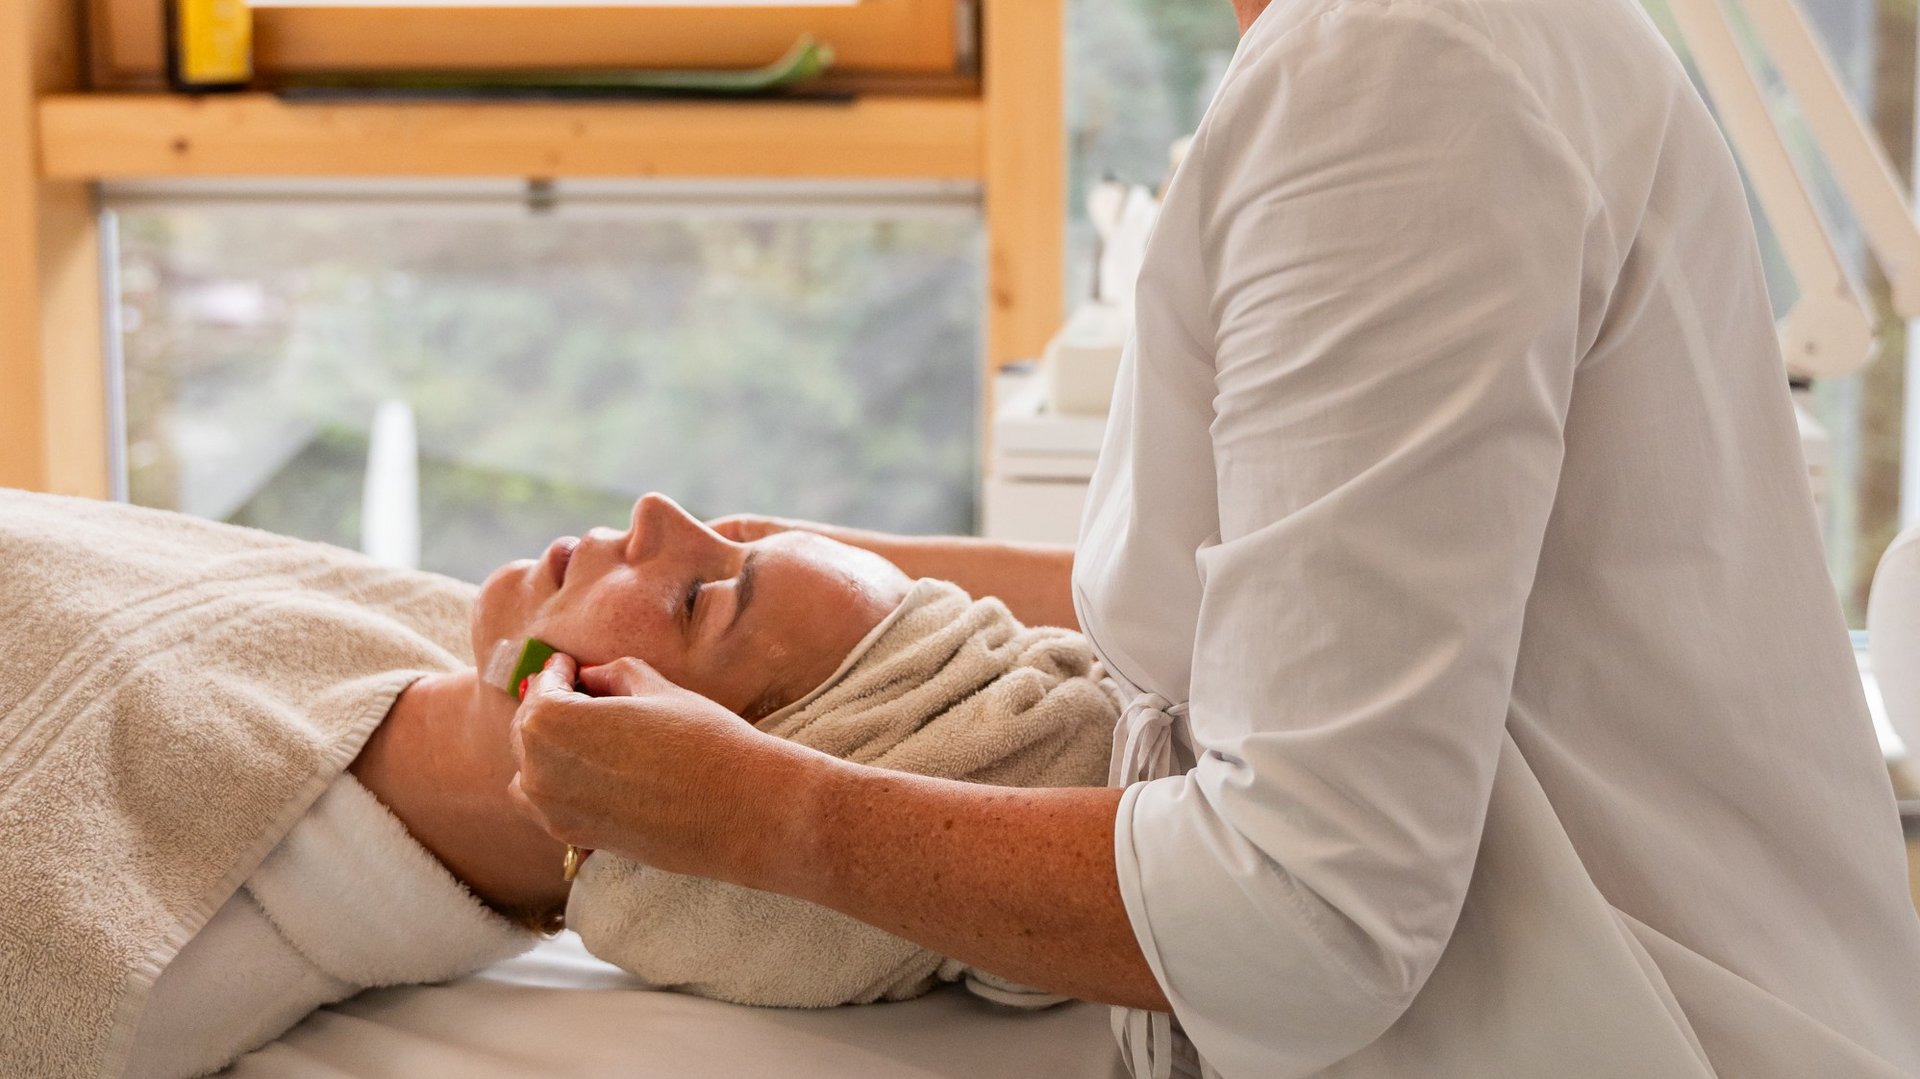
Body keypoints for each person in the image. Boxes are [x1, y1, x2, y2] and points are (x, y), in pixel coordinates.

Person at [505, 0, 1920, 1075]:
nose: (648, 529)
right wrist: (835, 558)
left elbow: (1310, 915)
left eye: (719, 599)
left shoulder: (1395, 86)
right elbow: (1295, 610)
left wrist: (767, 816)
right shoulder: (1405, 60)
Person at [0, 490, 1116, 1079]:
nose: (656, 516)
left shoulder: (132, 946)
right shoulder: (423, 633)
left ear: (635, 768)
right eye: (729, 542)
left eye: (699, 599)